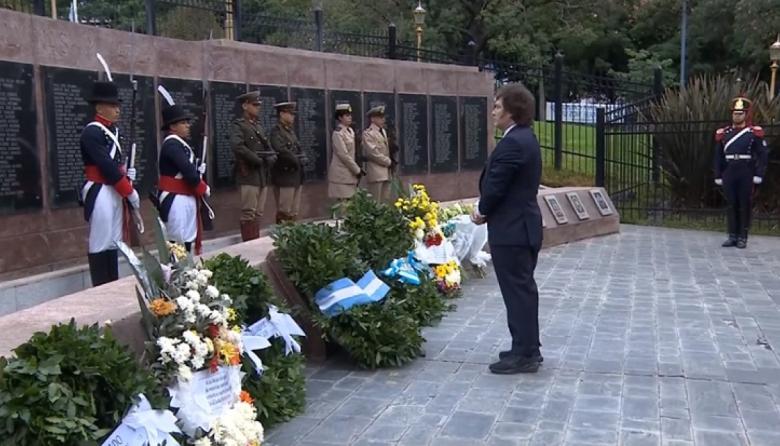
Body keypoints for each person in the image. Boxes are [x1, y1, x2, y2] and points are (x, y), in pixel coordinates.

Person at [471, 83, 543, 374]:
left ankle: (525, 354)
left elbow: (497, 185)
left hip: (512, 231)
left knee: (518, 293)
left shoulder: (514, 142)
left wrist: (481, 211)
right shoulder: (525, 138)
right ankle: (525, 347)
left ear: (513, 111)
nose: (493, 111)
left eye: (498, 106)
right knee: (521, 291)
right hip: (521, 227)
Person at [80, 79, 141, 287]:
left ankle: (111, 284)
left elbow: (115, 164)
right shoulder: (92, 132)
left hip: (114, 189)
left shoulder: (114, 131)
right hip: (100, 190)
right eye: (112, 105)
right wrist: (128, 190)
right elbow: (105, 165)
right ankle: (100, 287)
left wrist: (126, 172)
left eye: (118, 105)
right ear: (99, 107)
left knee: (114, 240)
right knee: (101, 239)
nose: (117, 110)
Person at [713, 96, 768, 249]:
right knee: (731, 204)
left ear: (746, 114)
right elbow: (718, 156)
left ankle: (743, 236)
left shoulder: (753, 133)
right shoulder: (724, 133)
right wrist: (718, 174)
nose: (737, 116)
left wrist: (758, 174)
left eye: (740, 113)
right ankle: (732, 235)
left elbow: (762, 155)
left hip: (745, 171)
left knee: (744, 204)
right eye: (735, 113)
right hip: (730, 170)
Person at [156, 100, 210, 254]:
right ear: (172, 127)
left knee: (186, 241)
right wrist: (202, 187)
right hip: (175, 198)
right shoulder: (171, 144)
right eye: (183, 123)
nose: (188, 125)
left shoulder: (181, 144)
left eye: (187, 122)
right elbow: (186, 170)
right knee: (177, 243)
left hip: (185, 197)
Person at [230, 91, 276, 241]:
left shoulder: (258, 127)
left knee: (258, 212)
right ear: (245, 106)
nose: (258, 108)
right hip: (248, 174)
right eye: (254, 105)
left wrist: (271, 156)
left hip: (261, 174)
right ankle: (249, 245)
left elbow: (267, 146)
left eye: (258, 105)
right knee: (248, 212)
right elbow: (237, 146)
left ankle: (254, 241)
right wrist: (254, 158)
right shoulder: (239, 126)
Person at [270, 102, 305, 223]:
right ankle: (282, 239)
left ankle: (292, 240)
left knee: (294, 212)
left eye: (293, 114)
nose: (293, 116)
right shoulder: (276, 131)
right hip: (284, 176)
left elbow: (298, 148)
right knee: (284, 211)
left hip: (295, 176)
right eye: (290, 114)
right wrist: (295, 159)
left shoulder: (290, 132)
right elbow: (281, 149)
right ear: (282, 114)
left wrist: (303, 156)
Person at [328, 103, 364, 204]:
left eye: (350, 115)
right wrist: (356, 169)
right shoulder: (338, 133)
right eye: (347, 116)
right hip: (341, 174)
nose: (350, 118)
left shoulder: (350, 131)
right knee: (343, 206)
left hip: (350, 174)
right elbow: (343, 155)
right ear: (340, 118)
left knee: (351, 205)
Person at [362, 105, 393, 203]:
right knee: (375, 202)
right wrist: (387, 161)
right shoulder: (368, 133)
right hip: (376, 173)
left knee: (385, 202)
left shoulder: (383, 131)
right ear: (372, 119)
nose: (383, 120)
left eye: (383, 117)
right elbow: (373, 153)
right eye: (380, 117)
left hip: (386, 173)